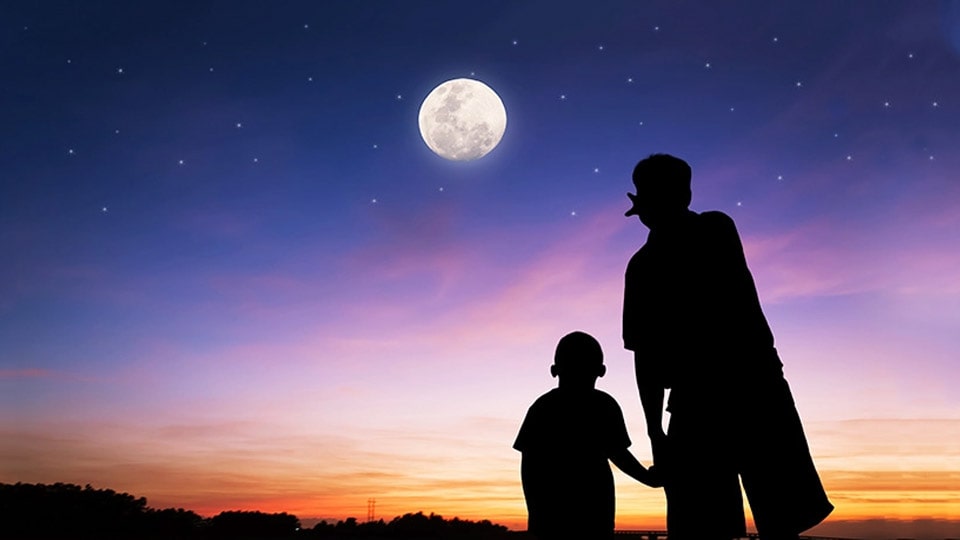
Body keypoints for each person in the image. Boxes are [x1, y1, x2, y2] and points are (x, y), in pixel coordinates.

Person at [622, 153, 834, 540]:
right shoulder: (646, 263)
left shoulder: (708, 231)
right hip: (716, 394)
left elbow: (648, 356)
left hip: (747, 387)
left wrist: (657, 433)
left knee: (774, 514)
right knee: (706, 522)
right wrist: (656, 433)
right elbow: (645, 356)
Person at [514, 331, 661, 540]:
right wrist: (647, 478)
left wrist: (536, 510)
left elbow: (529, 464)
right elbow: (619, 454)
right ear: (601, 371)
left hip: (559, 512)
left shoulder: (543, 407)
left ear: (554, 370)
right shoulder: (604, 405)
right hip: (592, 506)